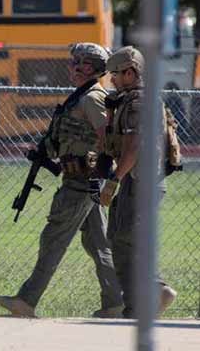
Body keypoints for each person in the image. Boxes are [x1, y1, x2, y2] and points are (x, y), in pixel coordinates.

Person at [0, 43, 123, 318]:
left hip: (81, 183)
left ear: (90, 67)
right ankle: (115, 303)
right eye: (73, 62)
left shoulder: (91, 98)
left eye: (78, 62)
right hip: (85, 181)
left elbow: (107, 137)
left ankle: (26, 301)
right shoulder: (81, 96)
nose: (72, 67)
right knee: (98, 245)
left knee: (53, 239)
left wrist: (98, 171)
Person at [98, 46, 178, 318]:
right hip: (142, 182)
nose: (112, 80)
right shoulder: (135, 99)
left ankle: (155, 291)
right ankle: (137, 304)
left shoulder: (137, 102)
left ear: (130, 73)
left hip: (137, 182)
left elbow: (134, 145)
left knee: (126, 239)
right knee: (122, 237)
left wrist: (113, 180)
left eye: (116, 74)